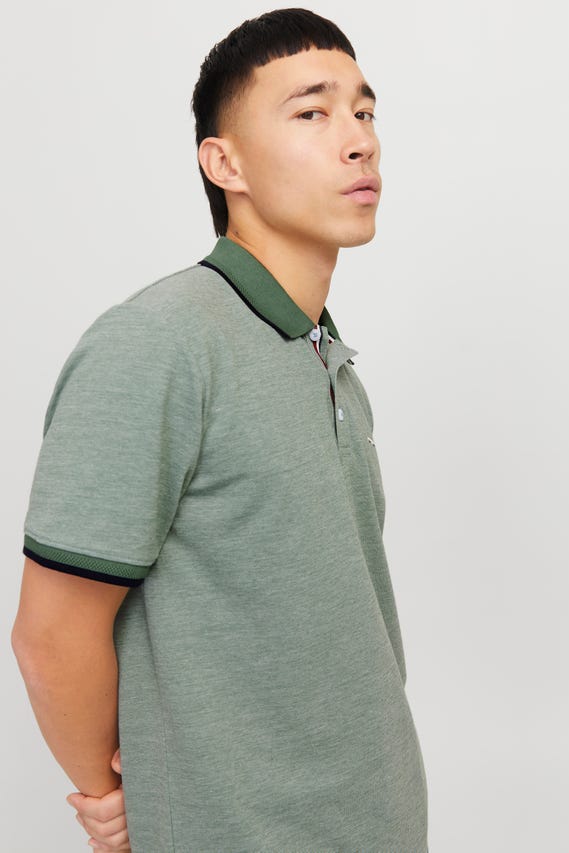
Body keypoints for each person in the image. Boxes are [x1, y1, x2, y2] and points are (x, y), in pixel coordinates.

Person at [12, 8, 429, 851]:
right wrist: (111, 795)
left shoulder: (326, 355)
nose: (359, 141)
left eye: (364, 111)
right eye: (312, 112)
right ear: (224, 162)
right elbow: (51, 633)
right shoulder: (159, 342)